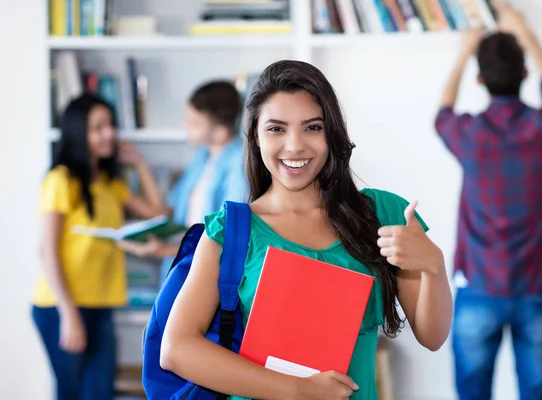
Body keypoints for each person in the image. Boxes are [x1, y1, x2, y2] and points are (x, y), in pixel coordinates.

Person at [158, 59, 453, 400]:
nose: (295, 145)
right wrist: (299, 390)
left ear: (333, 133)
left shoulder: (381, 213)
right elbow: (177, 349)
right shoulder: (231, 231)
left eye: (312, 127)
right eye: (276, 129)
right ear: (255, 135)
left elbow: (433, 337)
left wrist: (433, 265)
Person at [434, 3, 542, 400]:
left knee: (472, 394)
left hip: (480, 286)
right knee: (538, 394)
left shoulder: (469, 134)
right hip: (539, 288)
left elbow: (442, 113)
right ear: (525, 75)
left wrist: (464, 50)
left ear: (479, 79)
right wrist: (525, 32)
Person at [32, 93, 168, 400]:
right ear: (80, 132)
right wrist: (68, 314)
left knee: (99, 393)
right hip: (61, 306)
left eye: (110, 125)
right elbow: (47, 250)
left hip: (101, 305)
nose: (109, 134)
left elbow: (161, 214)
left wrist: (139, 164)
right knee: (71, 393)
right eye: (98, 127)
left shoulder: (111, 184)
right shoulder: (61, 180)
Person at [118, 80, 247, 286]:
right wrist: (140, 165)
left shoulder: (239, 164)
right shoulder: (202, 158)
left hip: (207, 276)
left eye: (194, 123)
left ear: (220, 131)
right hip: (184, 267)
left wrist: (165, 251)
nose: (184, 125)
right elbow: (166, 212)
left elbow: (227, 235)